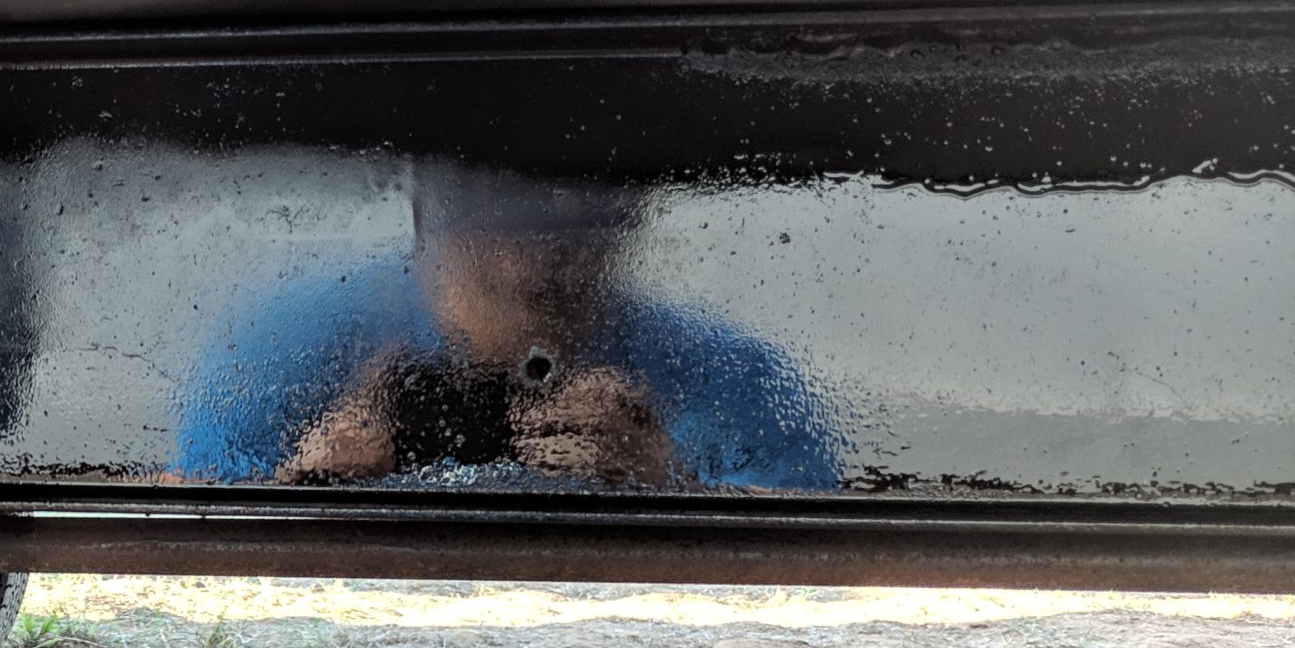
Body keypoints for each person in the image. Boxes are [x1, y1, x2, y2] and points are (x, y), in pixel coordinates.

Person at [171, 165, 842, 490]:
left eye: (569, 224)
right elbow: (189, 526)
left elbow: (824, 572)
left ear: (628, 221)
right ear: (428, 222)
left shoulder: (736, 381)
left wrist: (665, 479)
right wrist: (312, 485)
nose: (530, 265)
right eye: (494, 220)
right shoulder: (280, 351)